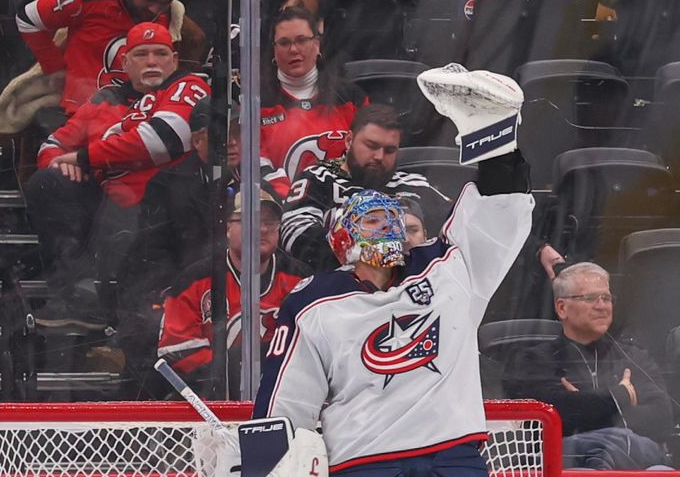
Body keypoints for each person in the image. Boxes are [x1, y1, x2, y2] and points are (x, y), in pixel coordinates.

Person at [252, 64, 535, 475]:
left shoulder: (448, 266)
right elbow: (285, 402)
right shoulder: (312, 301)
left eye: (392, 218)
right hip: (367, 460)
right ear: (341, 239)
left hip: (454, 455)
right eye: (371, 220)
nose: (388, 225)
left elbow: (498, 216)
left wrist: (492, 137)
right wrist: (259, 467)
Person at [25, 22, 210, 329]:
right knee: (47, 183)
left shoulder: (189, 86)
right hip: (110, 202)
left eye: (160, 53)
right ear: (125, 63)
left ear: (174, 60)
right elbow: (53, 145)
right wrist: (60, 162)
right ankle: (78, 291)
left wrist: (84, 157)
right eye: (141, 54)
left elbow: (161, 139)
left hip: (167, 205)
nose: (152, 61)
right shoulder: (104, 100)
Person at [116, 97, 289, 397]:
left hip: (246, 295)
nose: (234, 143)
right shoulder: (168, 185)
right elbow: (151, 254)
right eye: (224, 135)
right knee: (147, 329)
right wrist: (178, 293)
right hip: (188, 296)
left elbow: (275, 250)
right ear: (197, 140)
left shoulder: (262, 183)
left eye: (239, 134)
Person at [503, 262, 673, 470]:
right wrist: (620, 397)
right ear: (562, 307)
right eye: (590, 298)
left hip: (632, 461)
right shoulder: (534, 361)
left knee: (660, 471)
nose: (602, 306)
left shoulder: (633, 357)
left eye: (606, 298)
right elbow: (554, 418)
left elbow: (663, 417)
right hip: (564, 465)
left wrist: (587, 406)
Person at [16, 0, 206, 116]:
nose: (155, 10)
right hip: (84, 114)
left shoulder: (174, 16)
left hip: (144, 115)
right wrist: (56, 70)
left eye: (164, 3)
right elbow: (27, 19)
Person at [157, 189, 310, 397]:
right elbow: (175, 350)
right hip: (210, 413)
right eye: (252, 220)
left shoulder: (301, 281)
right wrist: (230, 373)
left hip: (284, 403)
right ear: (227, 227)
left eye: (270, 222)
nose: (263, 229)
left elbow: (316, 350)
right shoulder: (195, 280)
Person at [281, 103, 450, 272]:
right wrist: (361, 254)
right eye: (371, 146)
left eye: (390, 150)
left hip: (414, 286)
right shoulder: (319, 178)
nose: (379, 156)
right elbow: (293, 233)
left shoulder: (415, 184)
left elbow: (457, 225)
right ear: (349, 140)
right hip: (342, 286)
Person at [260, 6, 368, 181]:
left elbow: (370, 155)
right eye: (284, 42)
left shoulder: (350, 98)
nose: (294, 49)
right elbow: (257, 169)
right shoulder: (258, 105)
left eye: (302, 40)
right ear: (273, 50)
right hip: (283, 205)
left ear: (317, 45)